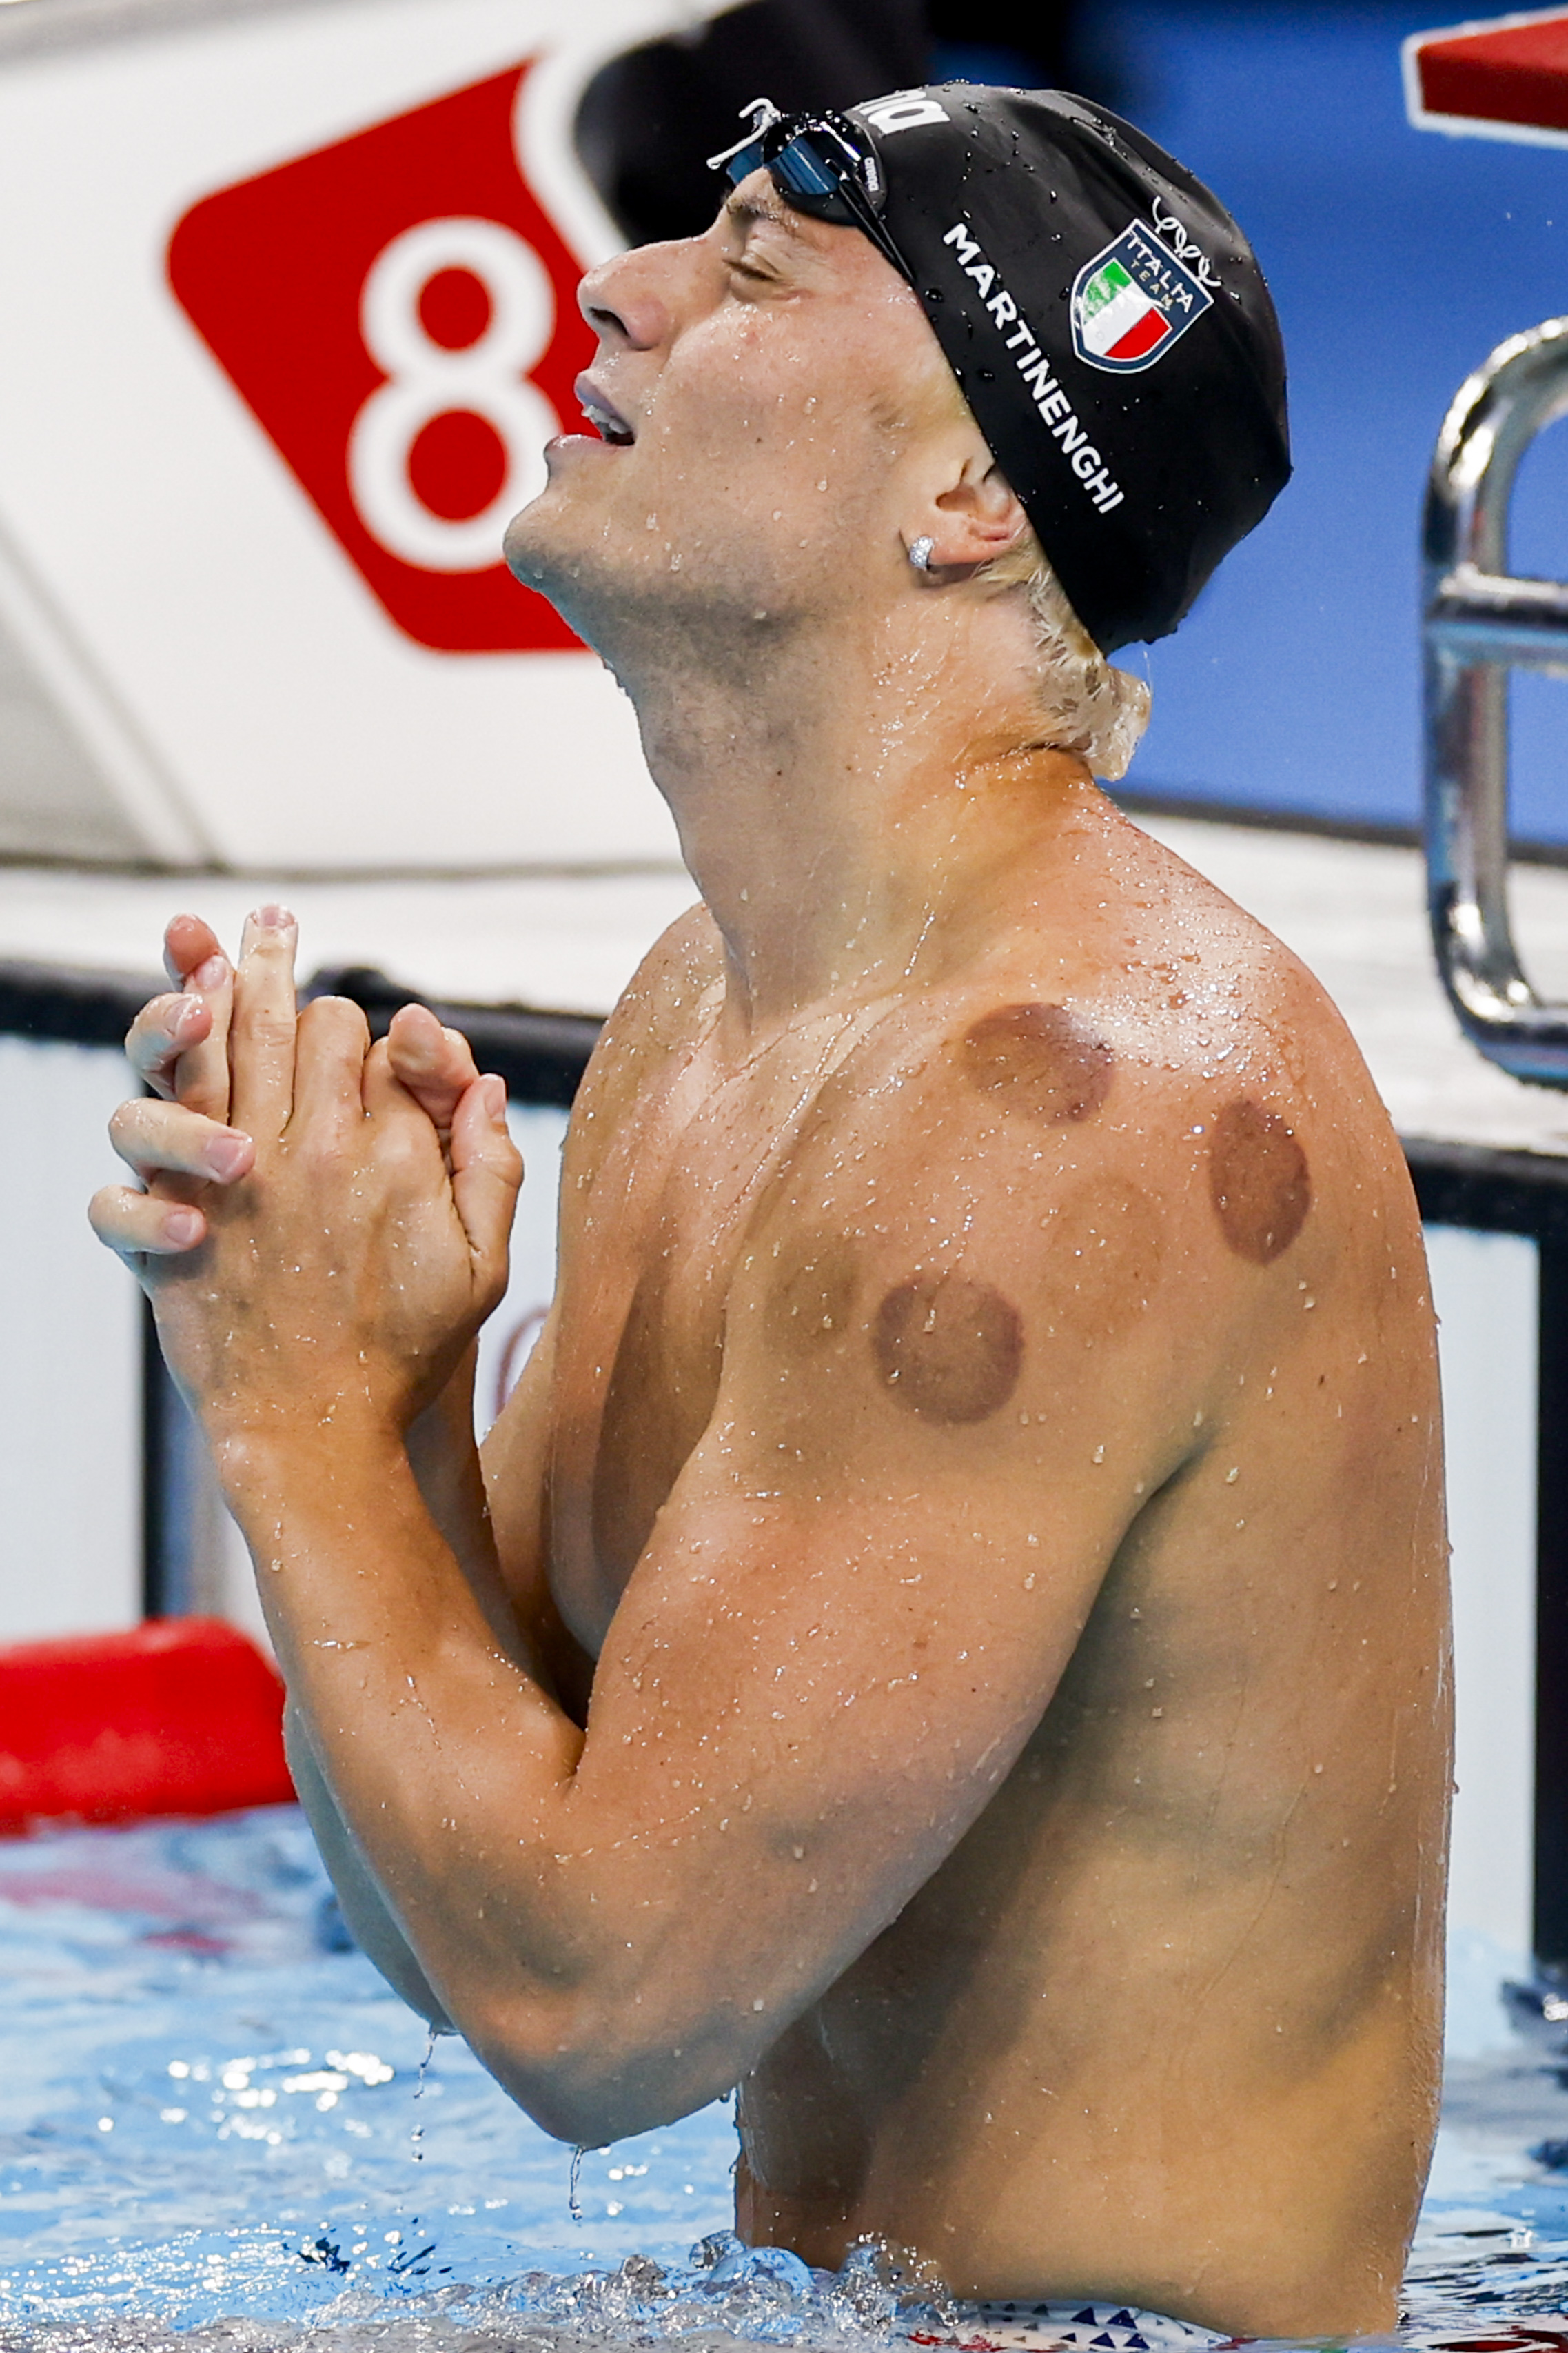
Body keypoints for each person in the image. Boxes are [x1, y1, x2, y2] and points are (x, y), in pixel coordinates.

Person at [90, 86, 1449, 2343]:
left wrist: (298, 1418)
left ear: (969, 499)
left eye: (741, 273)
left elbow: (595, 2015)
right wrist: (391, 1410)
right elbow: (449, 1942)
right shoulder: (713, 1016)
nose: (607, 286)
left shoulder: (1066, 1116)